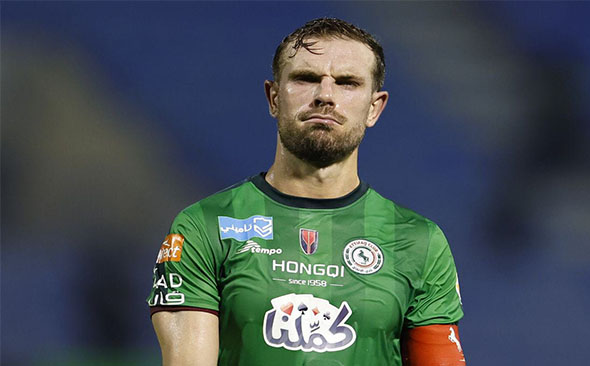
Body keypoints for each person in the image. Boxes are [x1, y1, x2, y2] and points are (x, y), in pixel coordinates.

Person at [148, 17, 466, 366]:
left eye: (347, 83)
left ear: (374, 107)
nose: (325, 96)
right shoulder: (204, 227)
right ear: (273, 97)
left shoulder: (420, 241)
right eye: (306, 78)